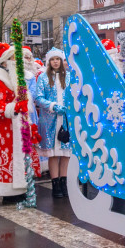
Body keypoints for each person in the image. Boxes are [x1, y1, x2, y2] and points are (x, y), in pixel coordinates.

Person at [0, 42, 39, 202]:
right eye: (13, 57)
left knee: (22, 154)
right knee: (8, 155)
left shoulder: (16, 75)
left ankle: (22, 188)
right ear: (5, 60)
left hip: (20, 123)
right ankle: (8, 192)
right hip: (5, 126)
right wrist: (15, 107)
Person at [34, 48, 73, 198]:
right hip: (49, 120)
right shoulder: (43, 78)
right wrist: (53, 106)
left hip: (66, 120)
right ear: (49, 62)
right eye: (53, 59)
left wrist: (68, 107)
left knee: (65, 154)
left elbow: (74, 94)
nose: (56, 61)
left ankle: (64, 182)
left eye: (58, 59)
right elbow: (38, 97)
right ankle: (55, 183)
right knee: (52, 154)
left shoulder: (69, 77)